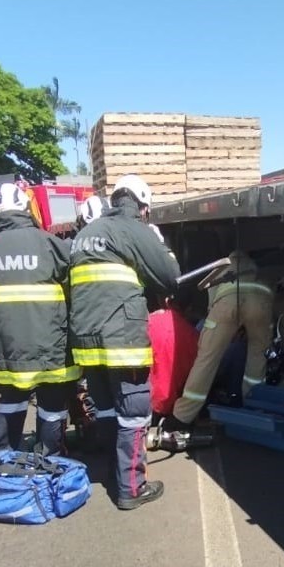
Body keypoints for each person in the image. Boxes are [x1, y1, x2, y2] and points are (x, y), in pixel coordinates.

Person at [68, 174, 179, 510]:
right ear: (142, 206)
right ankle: (131, 488)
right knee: (133, 411)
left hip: (86, 339)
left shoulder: (86, 233)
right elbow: (169, 276)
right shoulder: (133, 228)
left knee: (104, 407)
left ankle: (109, 471)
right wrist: (159, 244)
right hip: (121, 337)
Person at [0, 182, 79, 454]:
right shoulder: (49, 243)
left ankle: (3, 461)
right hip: (49, 344)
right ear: (24, 206)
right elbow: (73, 287)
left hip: (5, 347)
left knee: (11, 399)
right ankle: (49, 461)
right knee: (51, 404)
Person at [161, 250, 274, 440]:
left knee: (207, 358)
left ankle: (182, 417)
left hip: (226, 302)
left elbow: (212, 307)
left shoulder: (221, 266)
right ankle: (253, 405)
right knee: (258, 355)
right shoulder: (257, 268)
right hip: (260, 300)